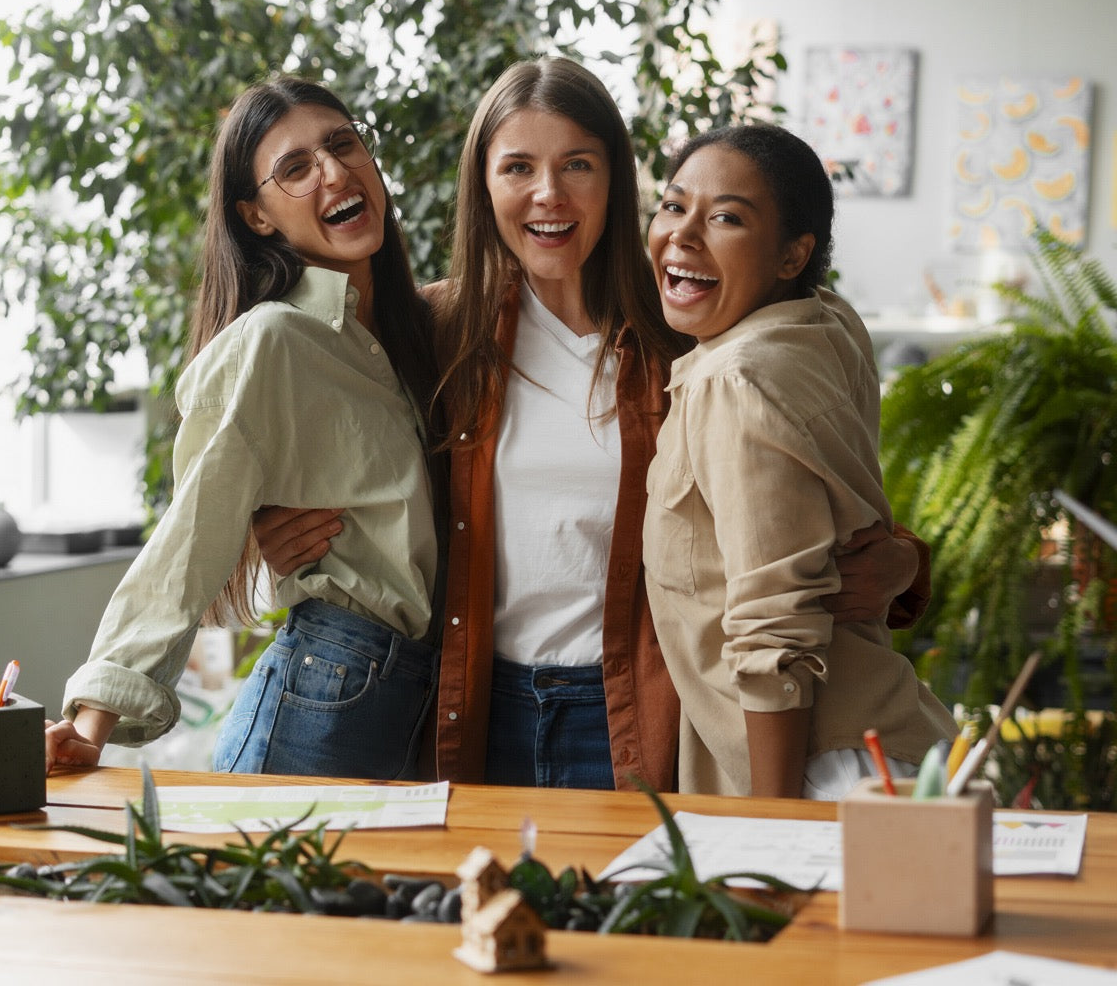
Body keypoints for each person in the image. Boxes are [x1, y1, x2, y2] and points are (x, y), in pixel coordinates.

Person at [254, 57, 929, 793]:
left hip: (641, 713)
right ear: (485, 183)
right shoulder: (432, 330)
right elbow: (320, 475)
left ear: (617, 179)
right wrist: (264, 545)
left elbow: (803, 499)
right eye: (517, 167)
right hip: (476, 707)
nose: (549, 193)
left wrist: (903, 561)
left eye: (577, 164)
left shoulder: (688, 329)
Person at [44, 76, 445, 779]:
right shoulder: (273, 341)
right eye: (295, 168)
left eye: (344, 144)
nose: (334, 172)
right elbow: (191, 536)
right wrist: (92, 721)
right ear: (256, 217)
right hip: (328, 690)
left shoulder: (420, 332)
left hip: (417, 691)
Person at [641, 123, 959, 800]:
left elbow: (772, 629)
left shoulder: (736, 379)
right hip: (877, 748)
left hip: (819, 772)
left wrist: (776, 824)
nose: (684, 235)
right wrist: (904, 558)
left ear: (792, 256)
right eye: (673, 205)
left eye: (726, 217)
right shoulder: (824, 322)